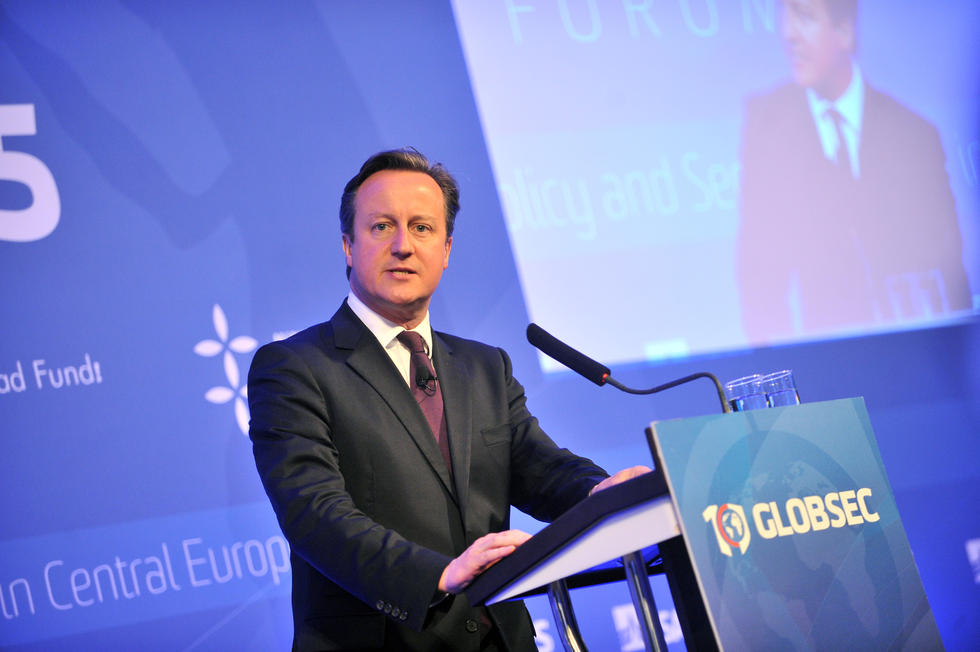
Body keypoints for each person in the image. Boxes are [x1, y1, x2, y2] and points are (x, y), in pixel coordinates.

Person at [247, 148, 649, 651]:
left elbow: (539, 468)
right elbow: (314, 514)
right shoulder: (295, 367)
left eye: (422, 228)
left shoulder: (484, 366)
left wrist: (600, 492)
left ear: (446, 249)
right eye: (381, 227)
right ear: (348, 245)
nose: (403, 246)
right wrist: (438, 575)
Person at [737, 0, 972, 345]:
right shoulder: (767, 126)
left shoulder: (914, 134)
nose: (788, 34)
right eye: (785, 19)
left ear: (845, 31)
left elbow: (950, 271)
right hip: (823, 358)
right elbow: (758, 279)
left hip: (915, 350)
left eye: (804, 18)